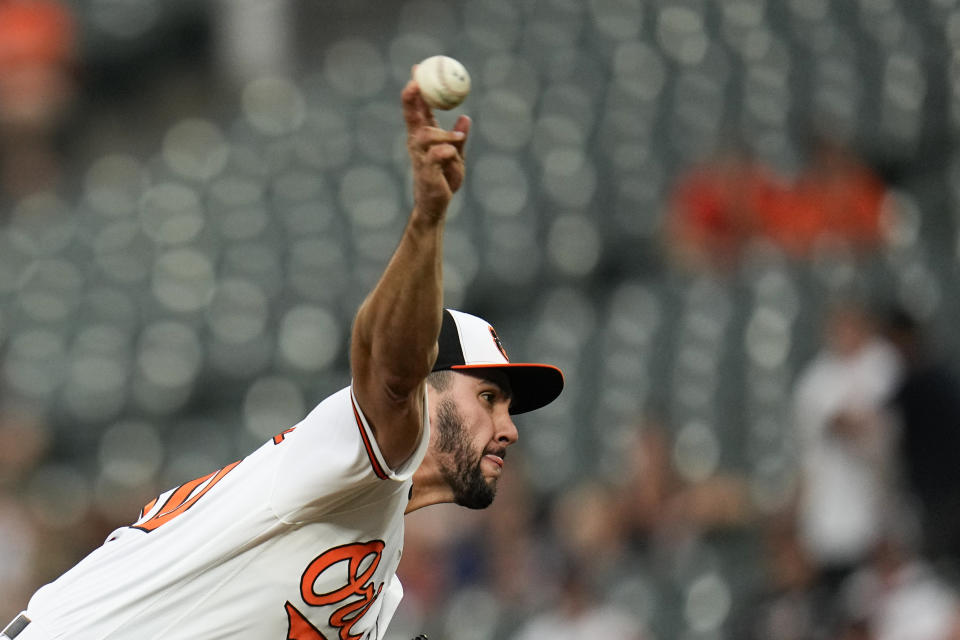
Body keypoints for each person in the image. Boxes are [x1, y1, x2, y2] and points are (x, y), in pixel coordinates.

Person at [1, 70, 564, 640]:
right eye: (488, 397)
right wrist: (426, 221)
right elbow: (388, 366)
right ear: (425, 387)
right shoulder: (347, 451)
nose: (509, 428)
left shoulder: (377, 565)